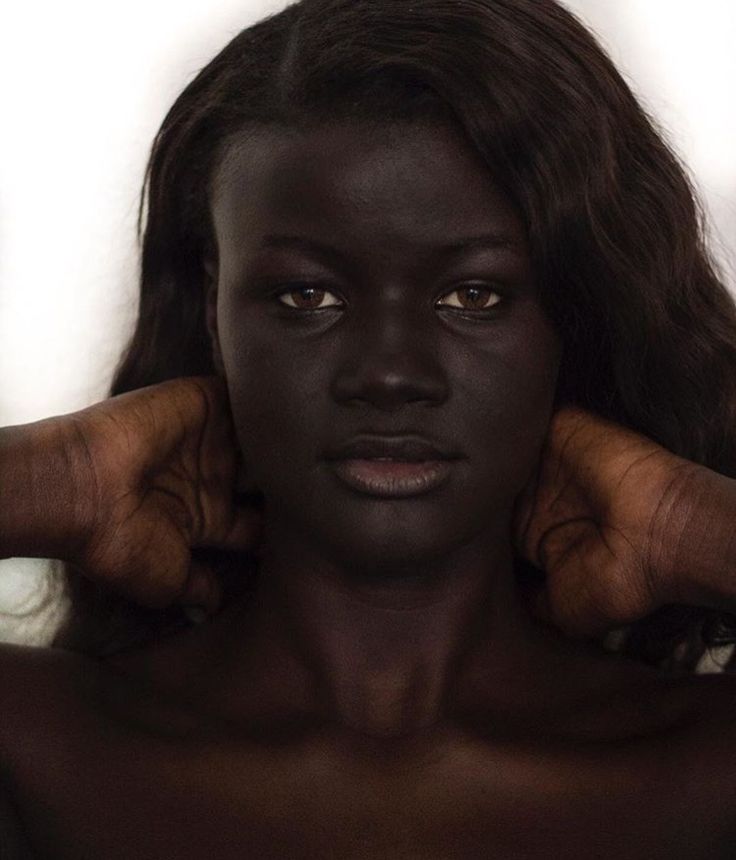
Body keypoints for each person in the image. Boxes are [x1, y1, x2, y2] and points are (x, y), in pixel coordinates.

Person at [2, 0, 736, 855]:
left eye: (473, 295)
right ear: (214, 304)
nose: (389, 373)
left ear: (572, 316)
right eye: (309, 295)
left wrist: (698, 527)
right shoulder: (33, 749)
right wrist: (42, 482)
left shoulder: (710, 771)